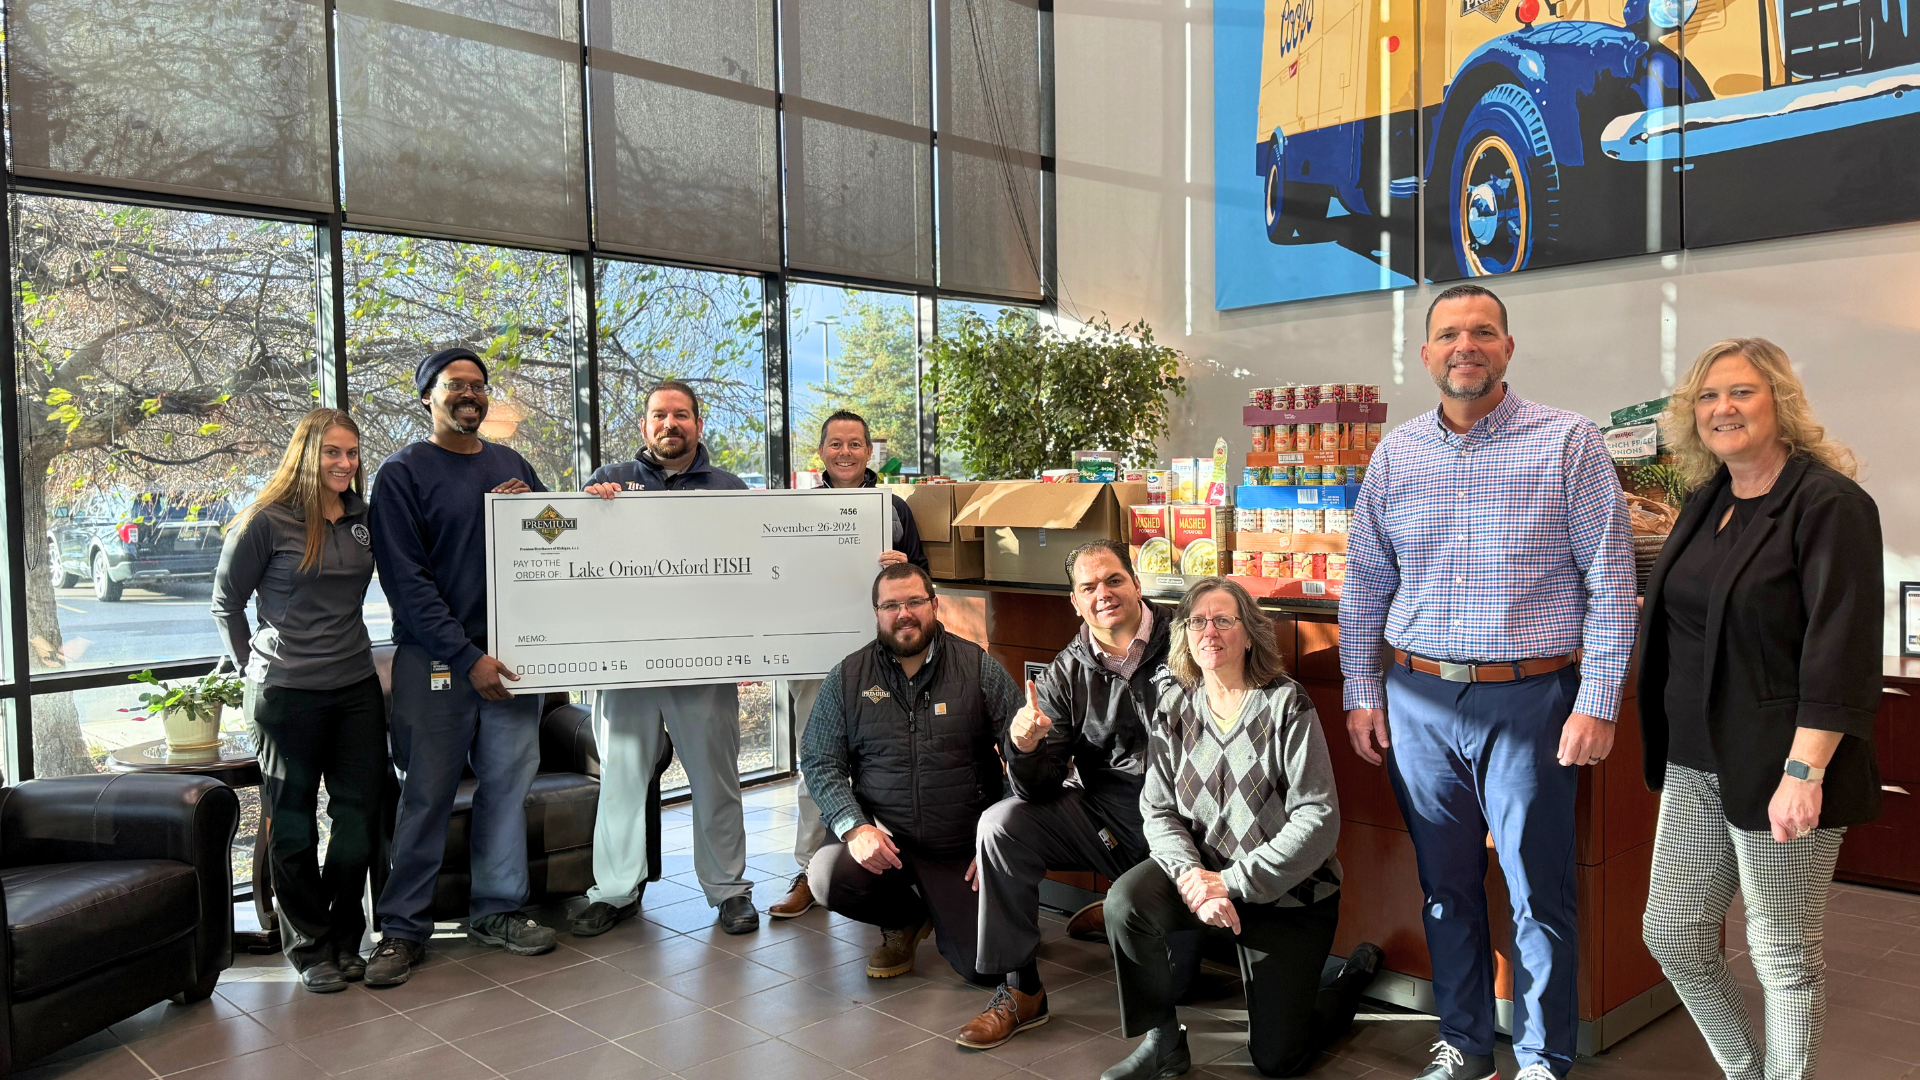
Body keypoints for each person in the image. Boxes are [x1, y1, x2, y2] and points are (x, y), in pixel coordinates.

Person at [1338, 284, 1635, 1080]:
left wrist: (1599, 700)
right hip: (1418, 703)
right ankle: (1466, 1044)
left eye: (1482, 332)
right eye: (1448, 335)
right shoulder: (1396, 454)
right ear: (1425, 354)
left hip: (1532, 701)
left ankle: (1542, 1057)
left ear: (1507, 347)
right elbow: (1366, 581)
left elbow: (1610, 581)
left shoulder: (1567, 442)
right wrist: (1361, 691)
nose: (1464, 346)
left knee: (1540, 894)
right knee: (1446, 886)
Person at [1637, 338, 1883, 1080]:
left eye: (1742, 392)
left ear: (1780, 401)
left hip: (1782, 762)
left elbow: (1839, 647)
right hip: (1695, 757)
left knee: (1782, 951)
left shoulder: (1828, 503)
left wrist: (1804, 771)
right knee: (1673, 933)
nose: (1723, 409)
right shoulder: (1709, 497)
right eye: (1708, 397)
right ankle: (1748, 1069)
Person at [1103, 578, 1381, 1080]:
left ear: (1250, 634)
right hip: (1206, 882)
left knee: (1278, 1060)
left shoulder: (1285, 704)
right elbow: (1157, 810)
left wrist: (1230, 881)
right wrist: (1194, 878)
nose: (1210, 631)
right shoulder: (1173, 706)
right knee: (1126, 902)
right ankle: (1162, 1043)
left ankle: (1347, 983)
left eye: (1224, 620)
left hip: (1290, 896)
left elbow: (1318, 820)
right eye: (1197, 621)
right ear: (1184, 635)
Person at [365, 348, 556, 987]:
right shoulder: (401, 474)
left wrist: (537, 508)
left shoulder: (511, 463)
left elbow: (559, 539)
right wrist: (466, 656)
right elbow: (407, 584)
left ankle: (498, 910)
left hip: (512, 663)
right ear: (428, 396)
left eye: (477, 386)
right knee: (426, 795)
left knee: (507, 790)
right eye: (455, 385)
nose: (469, 395)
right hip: (438, 664)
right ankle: (401, 928)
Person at [957, 540, 1172, 1049]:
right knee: (1001, 824)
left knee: (1186, 985)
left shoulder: (1186, 642)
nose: (1104, 594)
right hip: (1111, 820)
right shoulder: (1066, 670)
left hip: (1189, 828)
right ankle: (1022, 991)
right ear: (1073, 602)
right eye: (1088, 587)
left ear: (1137, 584)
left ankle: (1123, 905)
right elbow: (1038, 788)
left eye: (1114, 580)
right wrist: (1025, 748)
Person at [570, 380, 761, 938]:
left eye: (681, 415)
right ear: (644, 425)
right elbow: (577, 559)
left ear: (698, 425)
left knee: (716, 778)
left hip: (701, 660)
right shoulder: (606, 483)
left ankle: (728, 890)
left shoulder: (729, 488)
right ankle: (614, 890)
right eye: (659, 415)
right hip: (624, 660)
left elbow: (748, 568)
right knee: (622, 778)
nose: (669, 424)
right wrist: (590, 514)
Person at [211, 409, 384, 993]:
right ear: (306, 454)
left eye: (352, 453)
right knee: (292, 824)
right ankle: (309, 946)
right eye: (332, 452)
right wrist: (252, 665)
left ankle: (342, 932)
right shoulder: (267, 520)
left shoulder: (363, 516)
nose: (344, 463)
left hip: (355, 685)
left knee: (358, 818)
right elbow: (226, 604)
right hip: (286, 692)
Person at [802, 563, 1019, 984]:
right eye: (891, 605)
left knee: (985, 972)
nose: (904, 613)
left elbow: (1023, 755)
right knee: (828, 877)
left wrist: (999, 837)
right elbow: (819, 760)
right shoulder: (848, 677)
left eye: (915, 602)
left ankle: (962, 911)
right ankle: (905, 918)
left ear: (935, 605)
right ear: (877, 613)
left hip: (961, 844)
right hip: (886, 841)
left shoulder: (977, 667)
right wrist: (855, 828)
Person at [770, 410, 929, 919]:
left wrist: (900, 568)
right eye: (835, 444)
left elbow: (925, 581)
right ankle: (808, 868)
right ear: (821, 452)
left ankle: (891, 866)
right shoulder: (800, 509)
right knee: (815, 762)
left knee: (890, 759)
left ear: (868, 451)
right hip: (817, 659)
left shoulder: (895, 510)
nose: (845, 452)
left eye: (855, 444)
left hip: (885, 658)